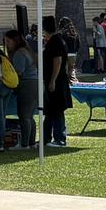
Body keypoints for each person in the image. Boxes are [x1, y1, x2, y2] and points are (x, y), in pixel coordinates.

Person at [41, 15, 73, 148]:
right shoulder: (54, 40)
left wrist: (53, 80)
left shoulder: (56, 41)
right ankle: (46, 138)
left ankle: (60, 138)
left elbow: (58, 61)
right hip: (54, 79)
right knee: (49, 110)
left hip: (57, 80)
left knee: (57, 109)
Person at [4, 31, 36, 148]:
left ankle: (24, 144)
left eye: (8, 41)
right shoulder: (26, 51)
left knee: (24, 116)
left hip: (27, 85)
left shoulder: (19, 53)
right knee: (29, 116)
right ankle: (31, 143)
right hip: (34, 84)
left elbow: (18, 73)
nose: (7, 44)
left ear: (15, 40)